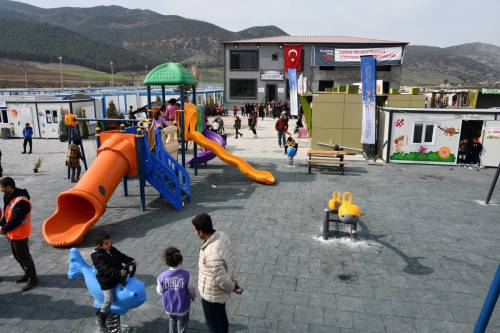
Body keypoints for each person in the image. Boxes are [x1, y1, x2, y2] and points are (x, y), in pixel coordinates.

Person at [192, 213, 241, 333]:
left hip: (211, 295)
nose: (195, 233)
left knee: (213, 325)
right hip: (219, 295)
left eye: (196, 230)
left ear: (201, 232)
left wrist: (233, 288)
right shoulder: (222, 236)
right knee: (221, 318)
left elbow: (221, 279)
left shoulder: (211, 253)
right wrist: (234, 282)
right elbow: (231, 261)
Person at [91, 233, 136, 331]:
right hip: (107, 281)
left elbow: (121, 256)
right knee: (109, 299)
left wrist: (131, 260)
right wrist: (118, 272)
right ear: (99, 246)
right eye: (106, 244)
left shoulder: (112, 249)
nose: (109, 245)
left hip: (117, 277)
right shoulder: (97, 257)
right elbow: (105, 269)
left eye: (110, 243)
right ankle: (101, 318)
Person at [0, 177, 38, 291]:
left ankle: (33, 278)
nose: (1, 190)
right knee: (18, 256)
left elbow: (16, 219)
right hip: (13, 233)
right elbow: (7, 213)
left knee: (24, 256)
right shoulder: (8, 196)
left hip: (20, 233)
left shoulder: (21, 201)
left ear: (10, 186)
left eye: (3, 187)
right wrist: (2, 224)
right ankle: (27, 274)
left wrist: (4, 229)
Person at [157, 247, 196, 333]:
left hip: (169, 305)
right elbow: (191, 289)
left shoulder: (162, 276)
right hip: (182, 306)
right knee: (182, 325)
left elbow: (159, 291)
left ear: (167, 261)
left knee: (172, 321)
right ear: (180, 260)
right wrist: (193, 296)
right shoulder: (186, 274)